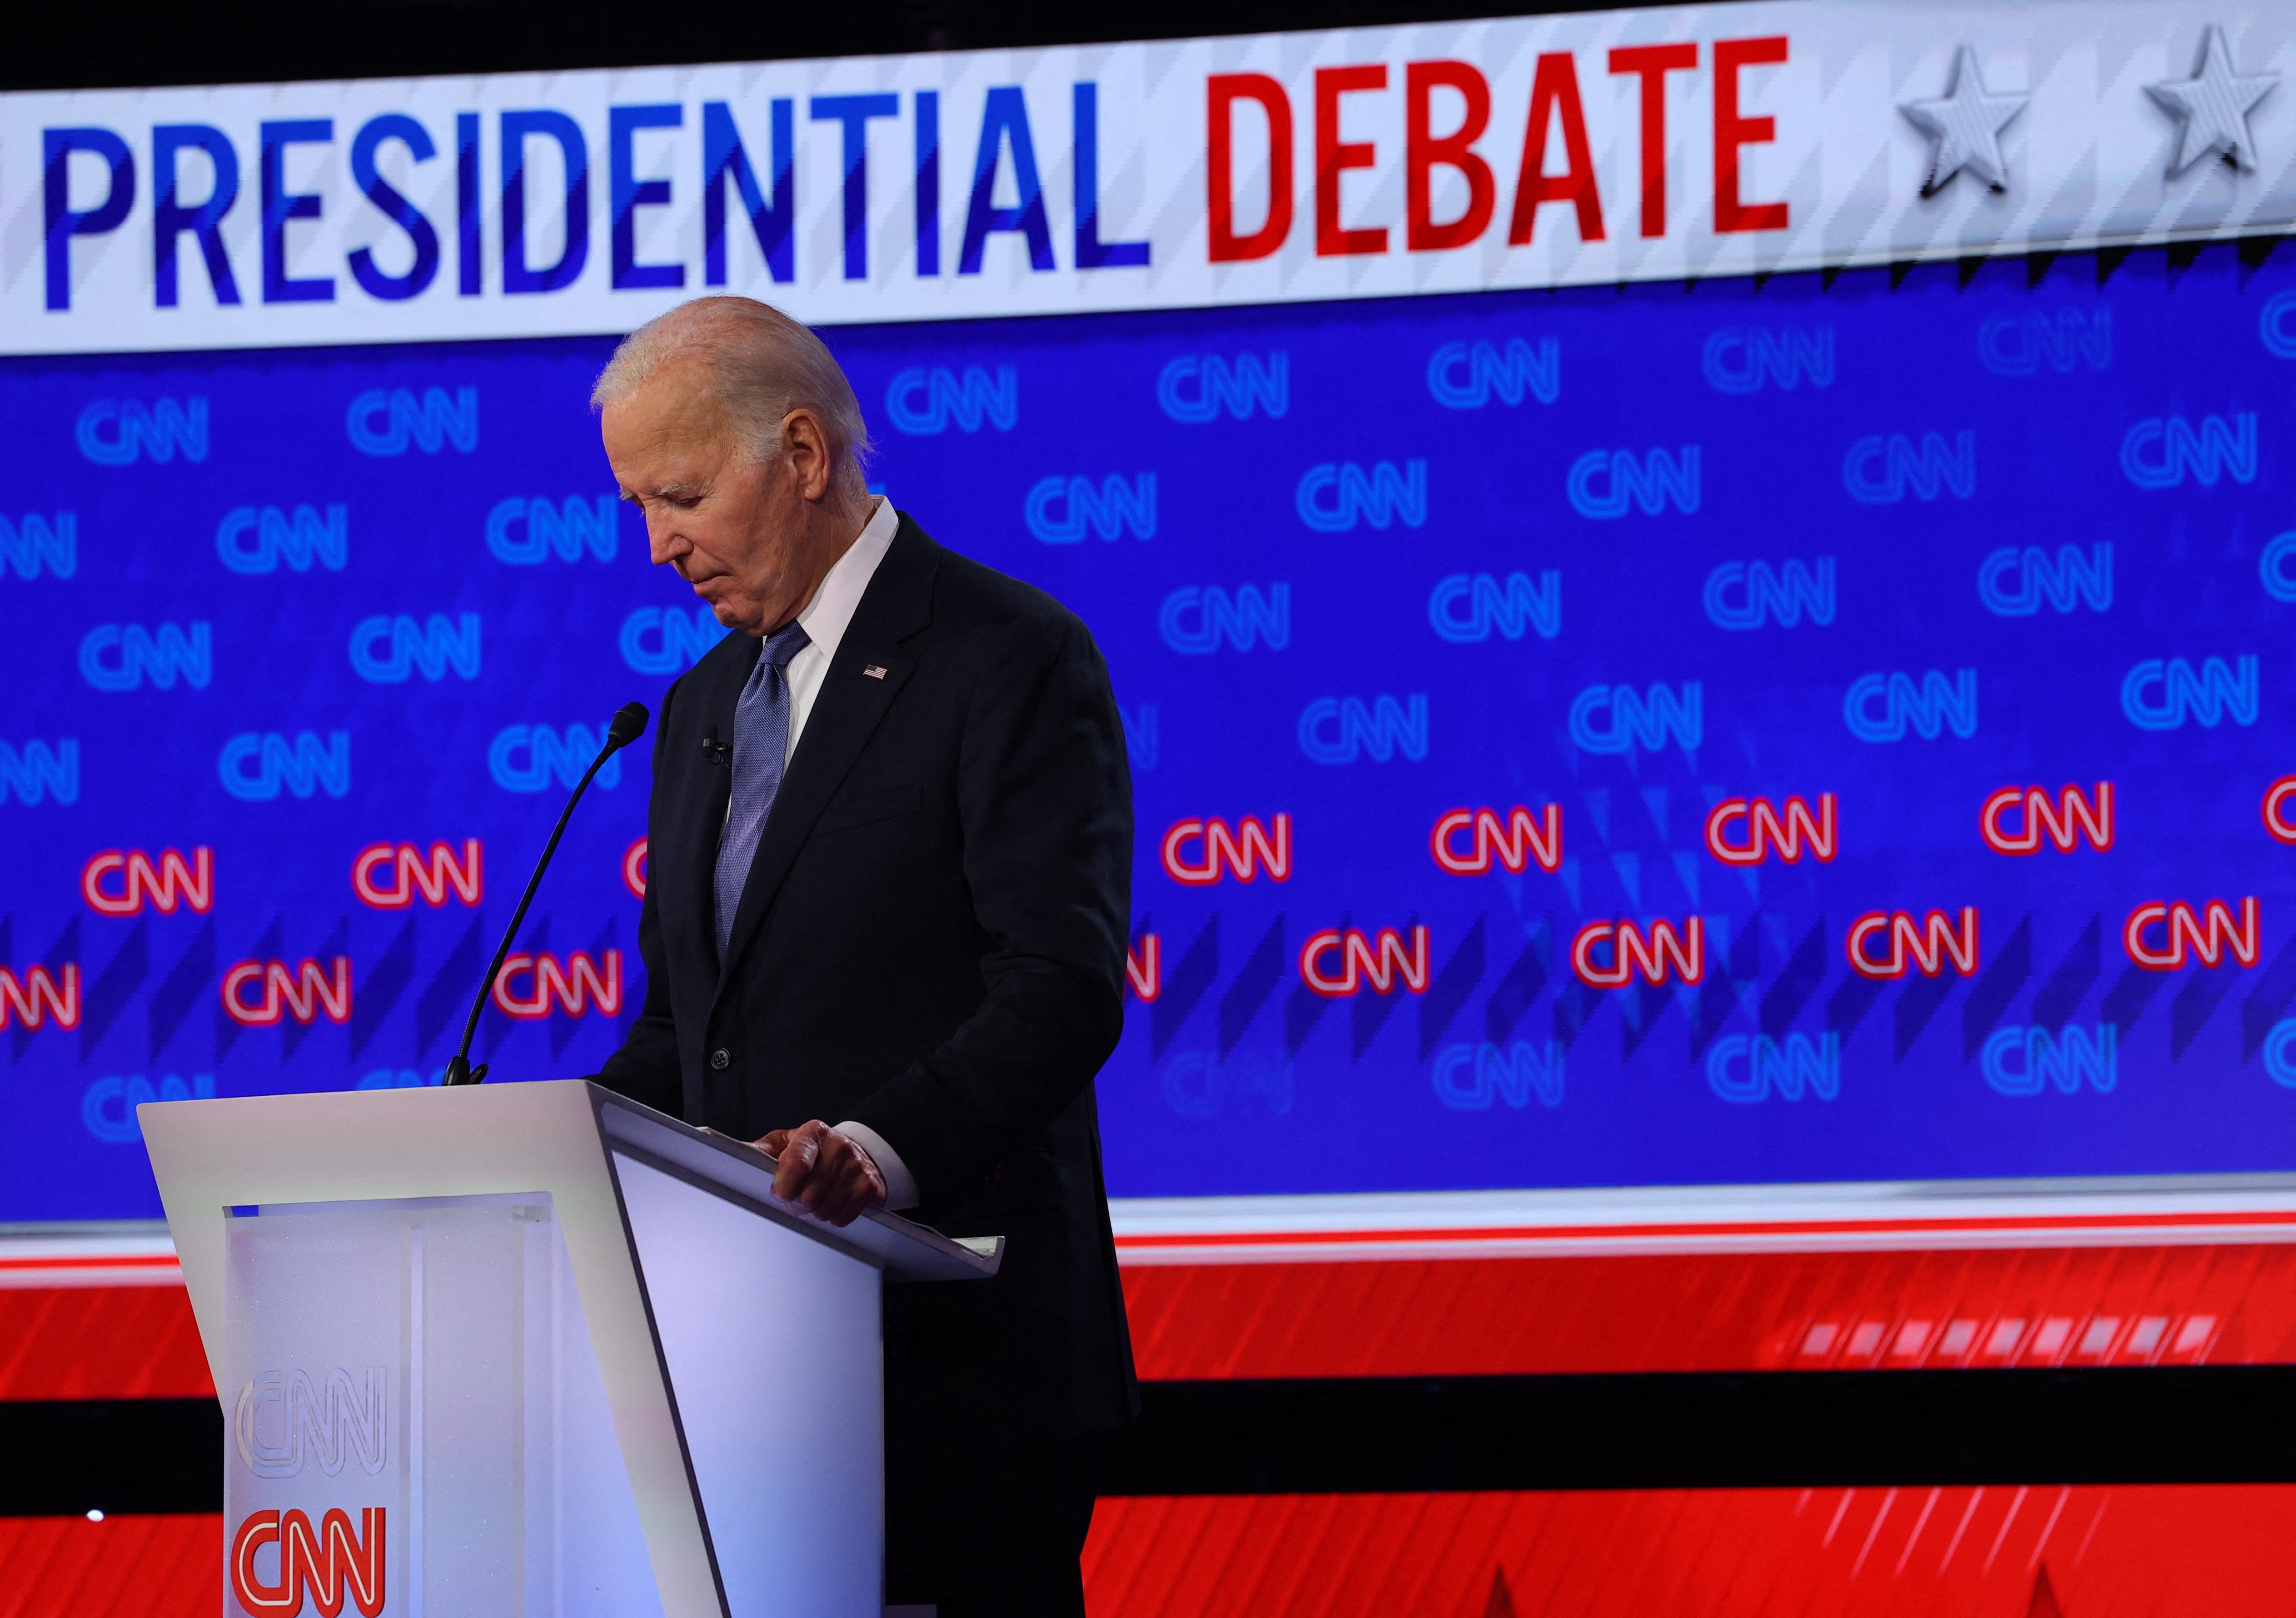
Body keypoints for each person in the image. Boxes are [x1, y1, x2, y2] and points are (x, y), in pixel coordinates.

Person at [588, 295, 1137, 1615]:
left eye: (680, 495)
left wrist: (874, 1156)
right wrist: (556, 1150)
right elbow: (688, 1030)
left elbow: (1058, 987)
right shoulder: (702, 709)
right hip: (750, 1379)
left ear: (803, 453)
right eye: (641, 506)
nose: (660, 546)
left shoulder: (1007, 656)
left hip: (958, 1367)